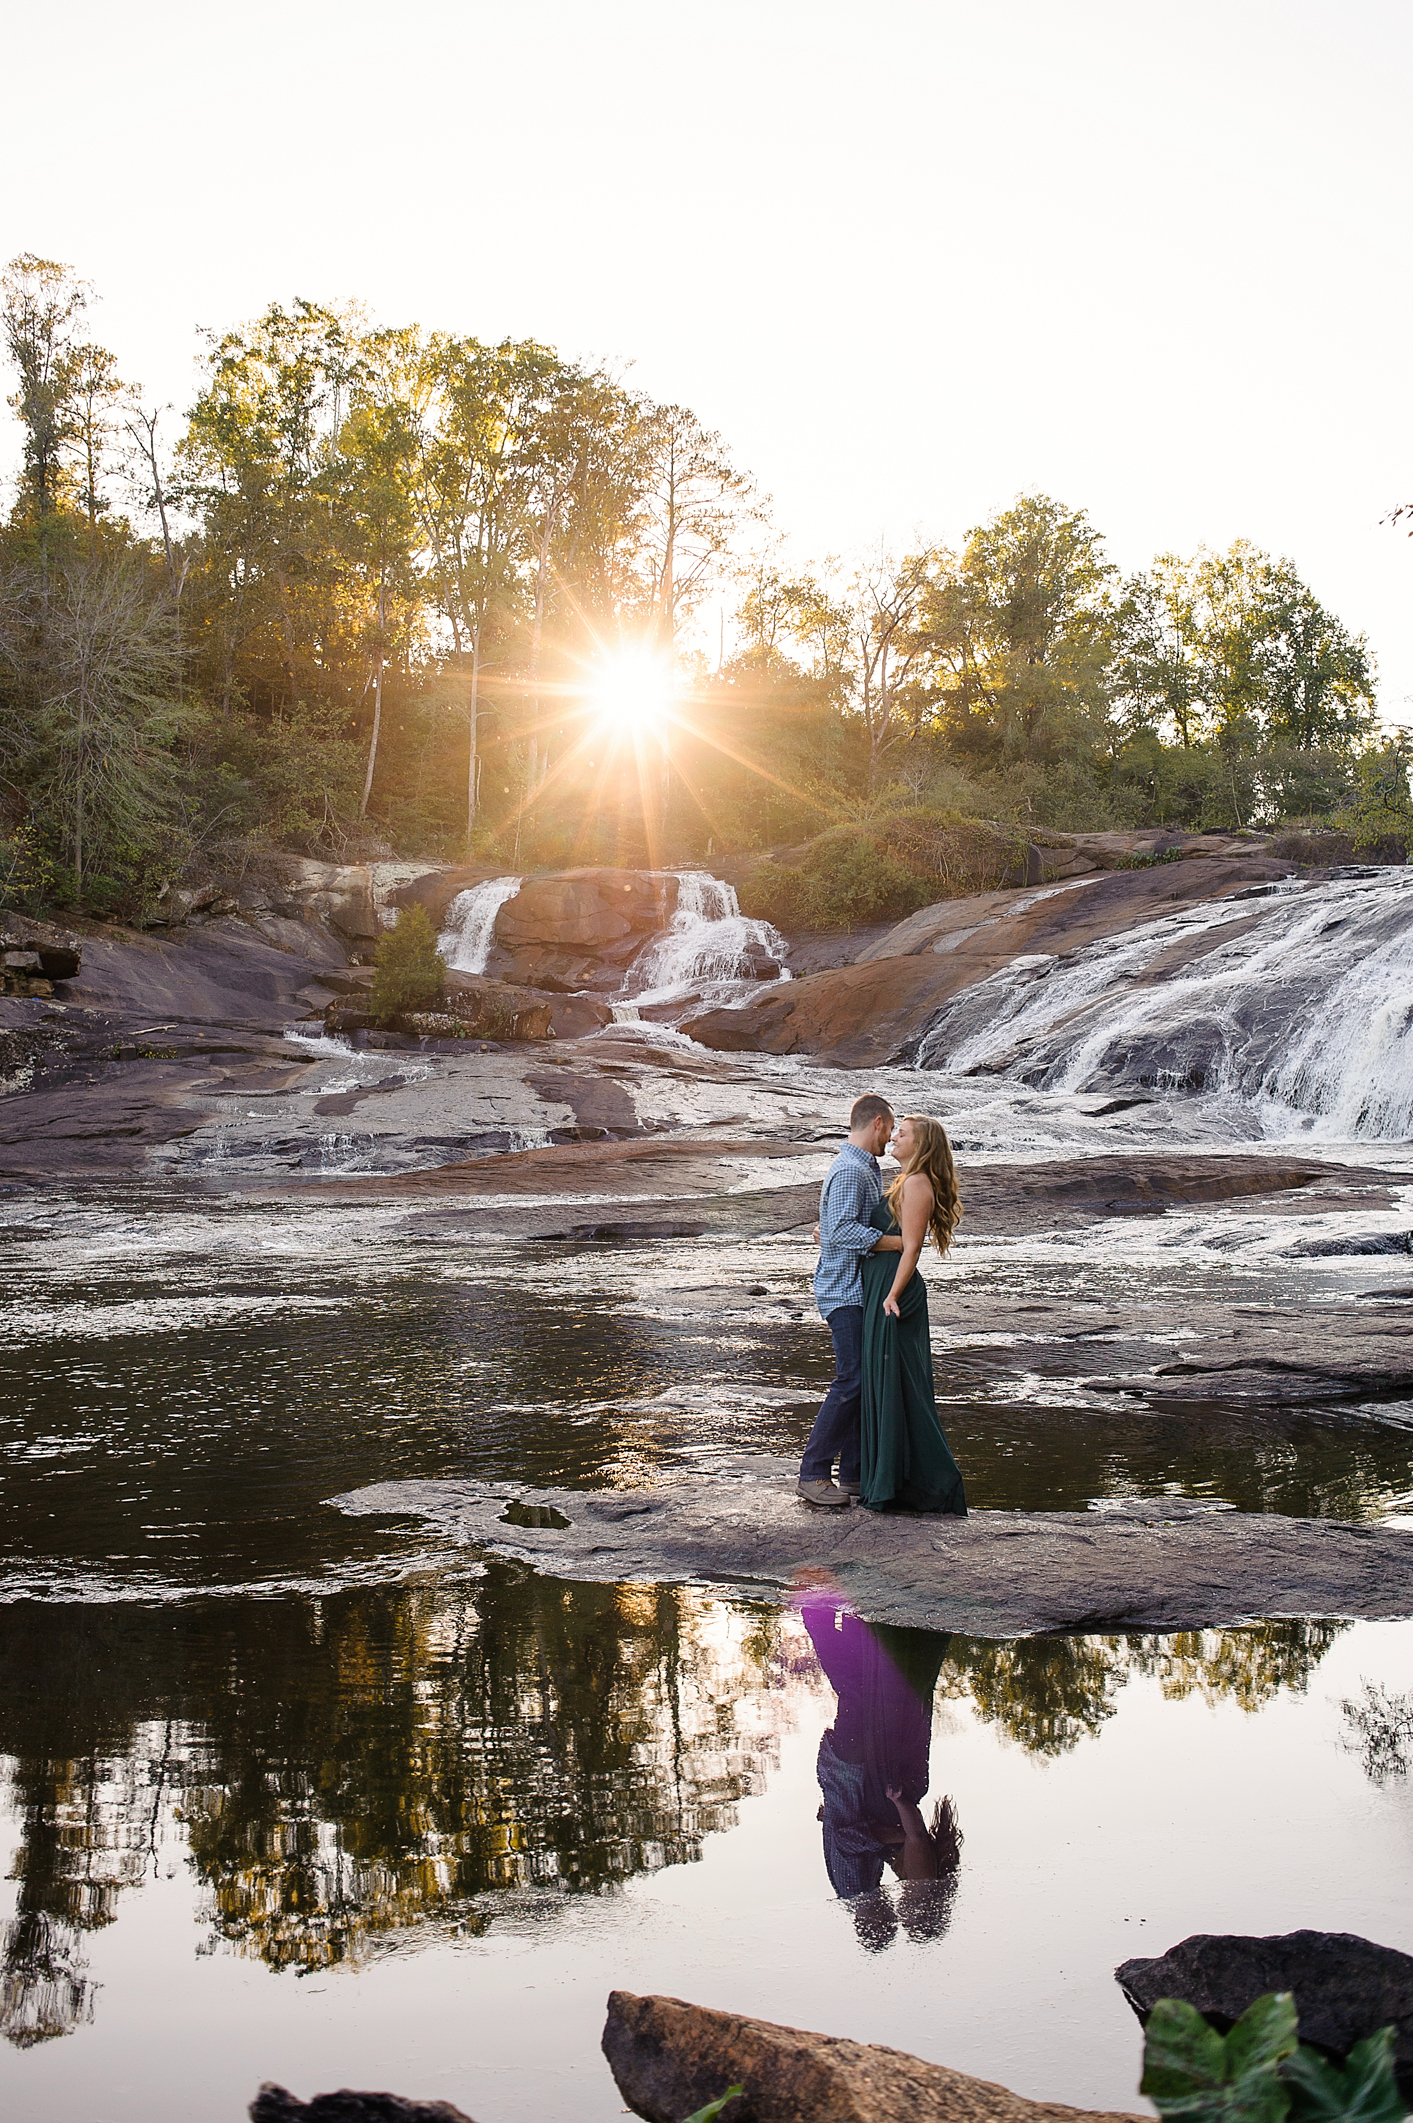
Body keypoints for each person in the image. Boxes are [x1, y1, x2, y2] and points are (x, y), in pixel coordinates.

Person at [799, 1588, 963, 1944]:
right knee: (862, 1694)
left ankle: (829, 1614)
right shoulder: (893, 1888)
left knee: (865, 1695)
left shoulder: (866, 1888)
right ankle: (826, 1614)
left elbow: (846, 1838)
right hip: (861, 1774)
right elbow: (911, 1837)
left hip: (855, 1773)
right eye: (901, 1924)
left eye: (886, 1926)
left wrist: (840, 1821)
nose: (895, 1918)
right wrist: (895, 1812)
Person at [797, 1095, 904, 1509]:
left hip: (857, 1289)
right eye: (890, 1128)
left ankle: (854, 1474)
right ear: (877, 1123)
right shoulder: (850, 1169)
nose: (892, 1137)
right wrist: (899, 1244)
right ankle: (814, 1473)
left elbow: (833, 1226)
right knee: (853, 1377)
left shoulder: (865, 1168)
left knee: (863, 1380)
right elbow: (840, 1229)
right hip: (842, 1291)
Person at [858, 1114, 967, 1515]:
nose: (894, 1137)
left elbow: (911, 1246)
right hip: (882, 1289)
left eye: (902, 1134)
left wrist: (892, 1294)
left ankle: (928, 1485)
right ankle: (891, 1481)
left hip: (894, 1293)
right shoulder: (903, 1181)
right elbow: (893, 1240)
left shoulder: (918, 1183)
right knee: (885, 1385)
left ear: (920, 1146)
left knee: (899, 1387)